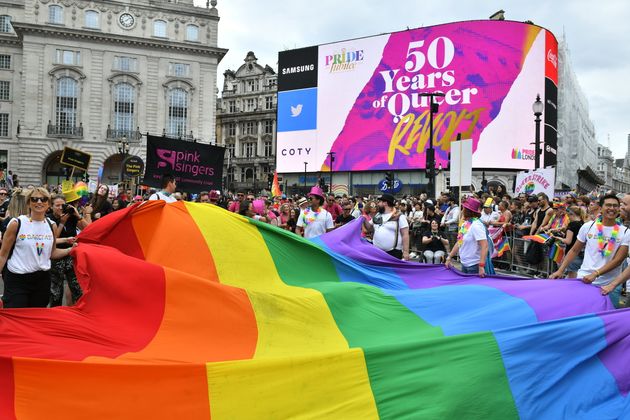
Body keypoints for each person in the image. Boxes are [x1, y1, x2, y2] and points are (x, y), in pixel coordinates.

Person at [0, 187, 76, 308]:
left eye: (43, 199)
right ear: (29, 203)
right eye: (34, 199)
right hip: (17, 279)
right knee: (17, 318)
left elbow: (52, 253)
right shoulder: (16, 223)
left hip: (42, 280)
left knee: (36, 319)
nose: (39, 202)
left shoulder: (52, 226)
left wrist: (70, 250)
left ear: (48, 204)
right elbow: (3, 254)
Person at [550, 194, 629, 307]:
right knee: (580, 313)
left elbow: (618, 260)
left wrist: (595, 274)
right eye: (608, 205)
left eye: (615, 206)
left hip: (610, 285)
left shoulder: (625, 232)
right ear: (600, 208)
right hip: (584, 280)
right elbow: (574, 250)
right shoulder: (588, 227)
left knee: (606, 320)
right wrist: (560, 270)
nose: (612, 208)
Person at [445, 197, 489, 276]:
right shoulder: (466, 224)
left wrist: (481, 266)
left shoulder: (477, 225)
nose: (462, 211)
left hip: (474, 266)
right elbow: (459, 242)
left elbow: (484, 245)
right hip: (465, 264)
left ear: (468, 211)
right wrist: (449, 257)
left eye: (464, 209)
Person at [363, 193, 410, 260]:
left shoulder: (399, 216)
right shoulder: (378, 215)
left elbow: (405, 235)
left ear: (385, 203)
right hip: (377, 252)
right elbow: (369, 228)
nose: (378, 204)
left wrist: (406, 252)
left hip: (393, 253)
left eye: (379, 202)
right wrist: (363, 219)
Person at [551, 206, 586, 278]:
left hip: (572, 253)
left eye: (568, 215)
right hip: (581, 253)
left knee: (572, 277)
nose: (568, 218)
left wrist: (558, 238)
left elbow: (568, 241)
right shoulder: (583, 223)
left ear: (571, 214)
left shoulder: (572, 224)